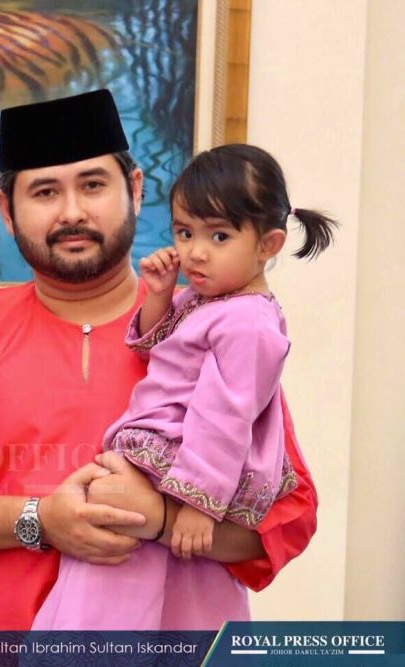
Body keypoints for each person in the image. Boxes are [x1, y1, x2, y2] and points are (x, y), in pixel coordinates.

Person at [0, 90, 318, 630]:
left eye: (92, 185)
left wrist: (160, 519)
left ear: (133, 190)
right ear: (5, 211)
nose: (73, 212)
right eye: (44, 191)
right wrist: (39, 520)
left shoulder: (213, 325)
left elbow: (287, 515)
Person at [33, 143, 336, 630]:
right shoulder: (210, 299)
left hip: (185, 462)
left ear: (268, 245)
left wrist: (196, 504)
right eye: (184, 232)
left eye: (219, 235)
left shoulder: (249, 325)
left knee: (134, 576)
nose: (195, 252)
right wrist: (158, 296)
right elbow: (157, 349)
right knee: (120, 564)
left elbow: (225, 417)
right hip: (163, 453)